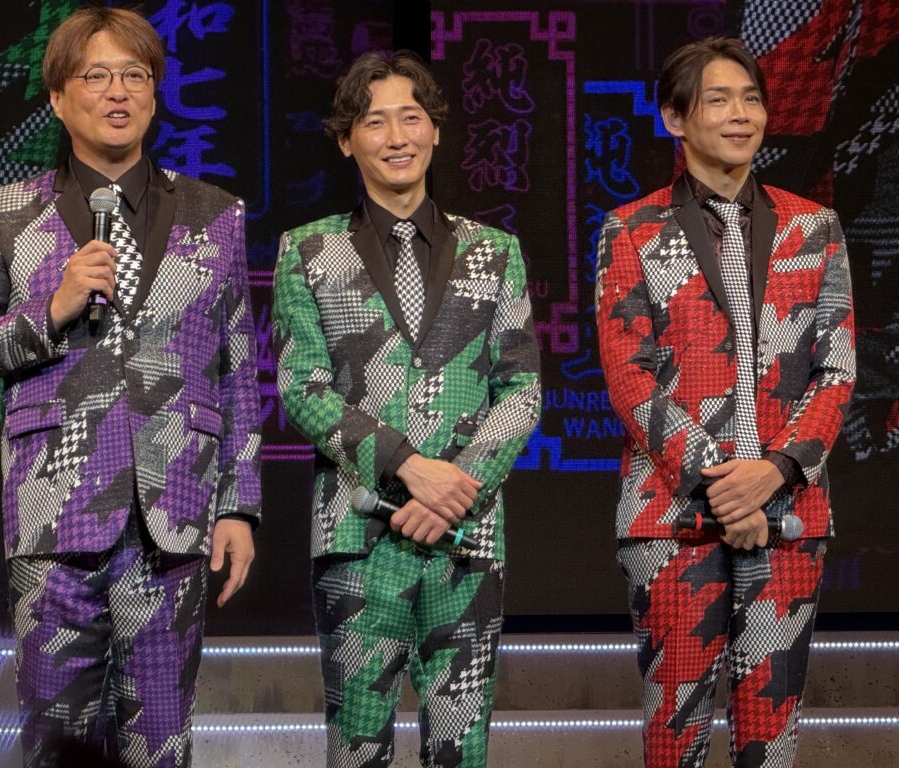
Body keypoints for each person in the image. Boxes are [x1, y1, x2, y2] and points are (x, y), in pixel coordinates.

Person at [0, 8, 261, 767]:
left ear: (153, 92)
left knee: (161, 744)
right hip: (54, 515)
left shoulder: (215, 214)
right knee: (57, 744)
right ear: (58, 98)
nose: (118, 92)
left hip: (171, 515)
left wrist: (239, 505)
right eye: (96, 75)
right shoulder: (4, 214)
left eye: (134, 75)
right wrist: (49, 311)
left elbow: (237, 370)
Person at [273, 50, 540, 767]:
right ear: (345, 139)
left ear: (436, 130)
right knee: (357, 748)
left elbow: (521, 390)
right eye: (374, 122)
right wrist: (409, 468)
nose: (397, 137)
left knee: (463, 751)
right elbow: (302, 387)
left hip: (468, 540)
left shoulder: (494, 251)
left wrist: (454, 491)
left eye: (411, 118)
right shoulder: (308, 250)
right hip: (358, 538)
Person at [595, 37, 856, 767]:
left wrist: (771, 474)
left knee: (771, 738)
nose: (741, 114)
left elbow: (836, 371)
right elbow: (629, 375)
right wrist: (725, 486)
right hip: (672, 519)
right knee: (674, 738)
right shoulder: (631, 229)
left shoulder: (814, 226)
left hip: (789, 514)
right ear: (675, 118)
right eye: (718, 100)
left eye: (751, 99)